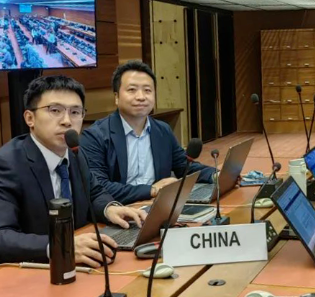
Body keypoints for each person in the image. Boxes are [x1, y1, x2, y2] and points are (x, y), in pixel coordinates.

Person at [0, 76, 146, 286]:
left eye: (75, 112)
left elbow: (94, 192)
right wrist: (61, 247)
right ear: (30, 118)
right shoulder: (3, 166)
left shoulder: (74, 153)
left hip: (58, 273)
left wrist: (110, 208)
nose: (67, 121)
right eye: (55, 110)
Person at [81, 60, 215, 205]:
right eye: (132, 90)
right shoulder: (95, 136)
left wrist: (215, 175)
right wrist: (151, 190)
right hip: (119, 209)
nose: (141, 97)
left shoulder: (163, 130)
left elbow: (184, 166)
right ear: (116, 97)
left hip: (158, 207)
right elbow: (98, 186)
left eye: (147, 90)